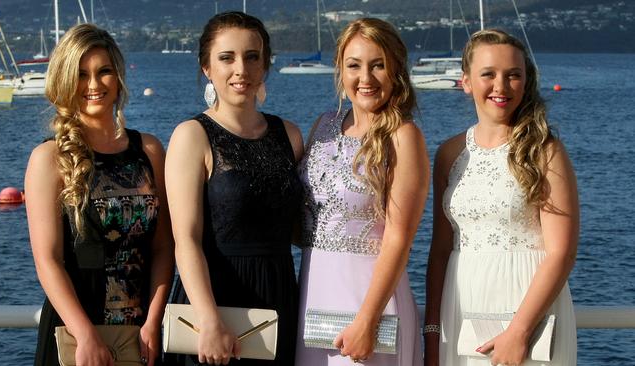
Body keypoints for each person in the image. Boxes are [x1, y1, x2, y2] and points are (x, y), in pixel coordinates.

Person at [424, 29, 578, 366]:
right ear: (465, 82)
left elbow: (562, 253)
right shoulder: (449, 153)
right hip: (461, 309)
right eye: (488, 74)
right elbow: (439, 251)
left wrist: (519, 331)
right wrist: (432, 334)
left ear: (526, 81)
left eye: (513, 75)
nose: (501, 86)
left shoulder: (545, 151)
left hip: (528, 315)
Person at [25, 24, 174, 366]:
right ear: (64, 81)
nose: (93, 85)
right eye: (80, 74)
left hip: (140, 336)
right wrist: (85, 334)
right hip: (77, 339)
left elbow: (164, 246)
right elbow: (47, 260)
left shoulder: (148, 150)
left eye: (103, 71)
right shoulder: (48, 159)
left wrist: (153, 320)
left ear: (118, 77)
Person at [164, 11, 304, 366]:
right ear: (207, 67)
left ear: (265, 66)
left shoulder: (289, 135)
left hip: (278, 299)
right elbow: (186, 240)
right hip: (212, 303)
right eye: (227, 58)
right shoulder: (191, 136)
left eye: (252, 57)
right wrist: (209, 320)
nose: (241, 69)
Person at [295, 18, 430, 366]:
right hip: (314, 295)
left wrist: (367, 320)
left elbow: (399, 237)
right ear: (341, 70)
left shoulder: (403, 137)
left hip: (369, 305)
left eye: (378, 65)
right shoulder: (323, 125)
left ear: (396, 70)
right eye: (354, 65)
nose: (365, 78)